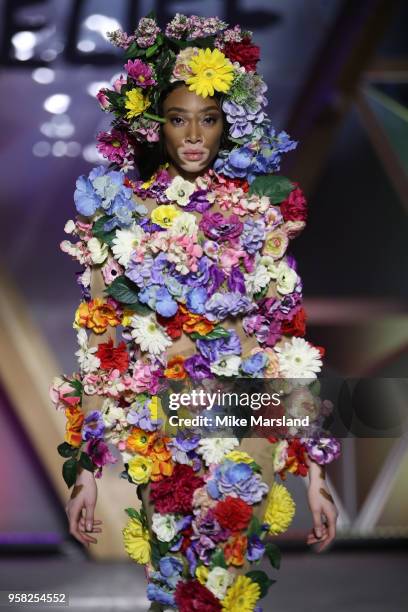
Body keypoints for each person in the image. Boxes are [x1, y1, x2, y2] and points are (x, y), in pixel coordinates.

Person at [52, 13, 341, 611]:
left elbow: (285, 342)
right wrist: (86, 471)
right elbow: (105, 352)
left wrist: (316, 472)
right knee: (179, 584)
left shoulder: (262, 218)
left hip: (247, 411)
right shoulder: (118, 219)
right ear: (156, 128)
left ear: (225, 126)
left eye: (207, 119)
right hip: (166, 422)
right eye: (178, 119)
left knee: (230, 586)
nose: (192, 135)